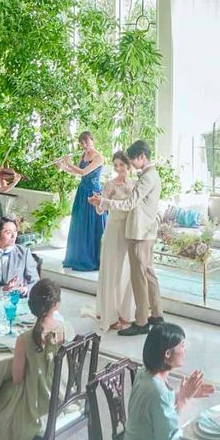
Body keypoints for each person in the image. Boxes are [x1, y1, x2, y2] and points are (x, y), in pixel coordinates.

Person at [89, 140, 163, 336]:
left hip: (140, 233)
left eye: (130, 161)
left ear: (141, 157)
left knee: (139, 278)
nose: (128, 164)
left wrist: (104, 202)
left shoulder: (146, 178)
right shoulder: (151, 175)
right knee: (148, 274)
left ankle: (142, 322)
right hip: (141, 231)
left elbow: (130, 203)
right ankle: (156, 315)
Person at [0, 278, 68, 440]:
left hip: (38, 402)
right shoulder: (64, 329)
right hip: (60, 393)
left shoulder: (24, 339)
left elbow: (17, 378)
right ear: (56, 305)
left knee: (1, 407)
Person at [121, 322, 215, 440]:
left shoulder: (144, 372)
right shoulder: (157, 390)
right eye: (182, 345)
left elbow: (157, 406)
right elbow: (170, 435)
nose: (185, 350)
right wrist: (183, 399)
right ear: (167, 353)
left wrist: (184, 393)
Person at [94, 150, 135, 331]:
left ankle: (124, 311)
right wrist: (98, 203)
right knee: (111, 269)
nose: (118, 169)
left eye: (122, 165)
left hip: (129, 231)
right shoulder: (110, 185)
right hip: (113, 230)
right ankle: (109, 315)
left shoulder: (135, 185)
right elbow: (100, 211)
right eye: (116, 165)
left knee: (126, 270)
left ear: (129, 165)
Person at [59, 131, 106, 271]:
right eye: (82, 143)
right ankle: (77, 257)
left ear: (92, 140)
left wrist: (69, 163)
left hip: (93, 193)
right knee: (79, 223)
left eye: (87, 142)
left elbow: (84, 172)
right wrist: (63, 167)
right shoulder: (83, 155)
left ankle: (92, 258)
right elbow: (77, 172)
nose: (84, 145)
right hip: (82, 191)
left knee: (91, 224)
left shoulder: (99, 157)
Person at [0, 216, 39, 296]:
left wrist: (25, 289)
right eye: (8, 232)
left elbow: (35, 281)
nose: (13, 236)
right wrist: (3, 289)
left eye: (15, 231)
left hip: (16, 299)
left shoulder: (24, 253)